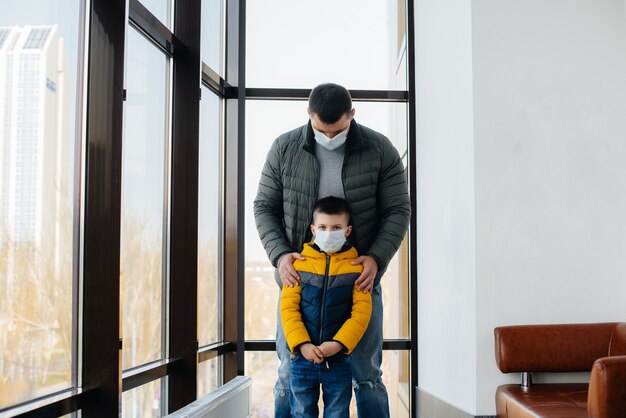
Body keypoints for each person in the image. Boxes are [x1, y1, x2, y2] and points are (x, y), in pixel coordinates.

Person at [254, 83, 410, 418]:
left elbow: (399, 209)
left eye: (337, 130)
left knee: (367, 376)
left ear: (352, 115)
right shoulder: (284, 148)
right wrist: (281, 256)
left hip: (358, 283)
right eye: (320, 130)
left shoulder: (379, 149)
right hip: (300, 284)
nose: (328, 137)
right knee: (289, 375)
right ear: (308, 116)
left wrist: (376, 258)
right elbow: (264, 207)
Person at [281, 196, 372, 418]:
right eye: (322, 227)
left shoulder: (357, 268)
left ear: (347, 230)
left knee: (338, 413)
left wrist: (338, 344)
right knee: (302, 413)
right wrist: (302, 345)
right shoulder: (298, 265)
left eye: (336, 228)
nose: (329, 233)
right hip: (302, 360)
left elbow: (361, 314)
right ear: (313, 228)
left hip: (339, 360)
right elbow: (288, 309)